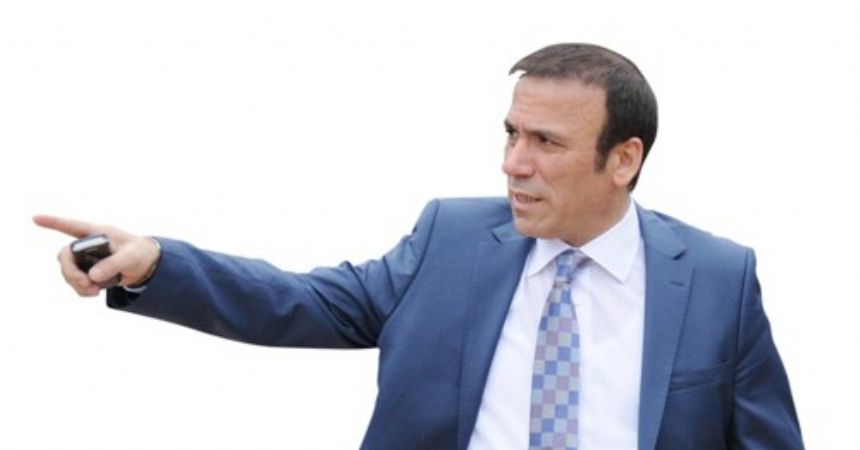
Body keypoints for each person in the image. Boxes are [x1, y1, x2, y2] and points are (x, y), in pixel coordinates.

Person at [35, 43, 803, 449]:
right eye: (511, 133)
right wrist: (158, 263)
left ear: (623, 159)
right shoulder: (451, 241)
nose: (513, 163)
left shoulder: (717, 278)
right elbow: (302, 303)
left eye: (545, 142)